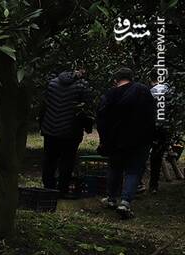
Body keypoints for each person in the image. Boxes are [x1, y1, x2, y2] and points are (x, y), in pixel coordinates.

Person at [96, 67, 156, 219]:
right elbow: (152, 114)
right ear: (132, 78)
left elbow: (102, 119)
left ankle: (111, 198)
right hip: (140, 139)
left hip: (116, 140)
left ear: (116, 80)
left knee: (115, 168)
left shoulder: (110, 94)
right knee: (134, 171)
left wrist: (104, 140)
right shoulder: (142, 91)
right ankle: (125, 202)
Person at [39, 69, 92, 197]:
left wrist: (42, 125)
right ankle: (62, 190)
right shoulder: (82, 86)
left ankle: (48, 188)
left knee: (49, 160)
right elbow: (84, 110)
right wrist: (87, 126)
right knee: (67, 161)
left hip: (50, 129)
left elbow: (44, 106)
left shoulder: (52, 83)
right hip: (71, 131)